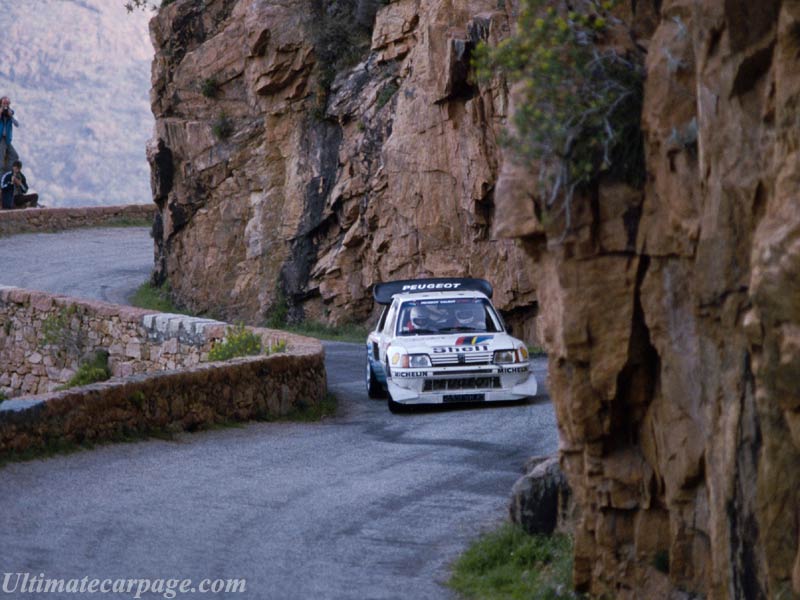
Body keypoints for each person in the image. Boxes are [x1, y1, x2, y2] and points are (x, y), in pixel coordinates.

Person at [0, 97, 19, 173]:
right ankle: (1, 175)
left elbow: (17, 124)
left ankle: (6, 172)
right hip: (1, 139)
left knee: (14, 156)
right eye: (4, 103)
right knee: (1, 158)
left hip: (7, 139)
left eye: (7, 103)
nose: (6, 105)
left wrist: (10, 116)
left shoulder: (10, 113)